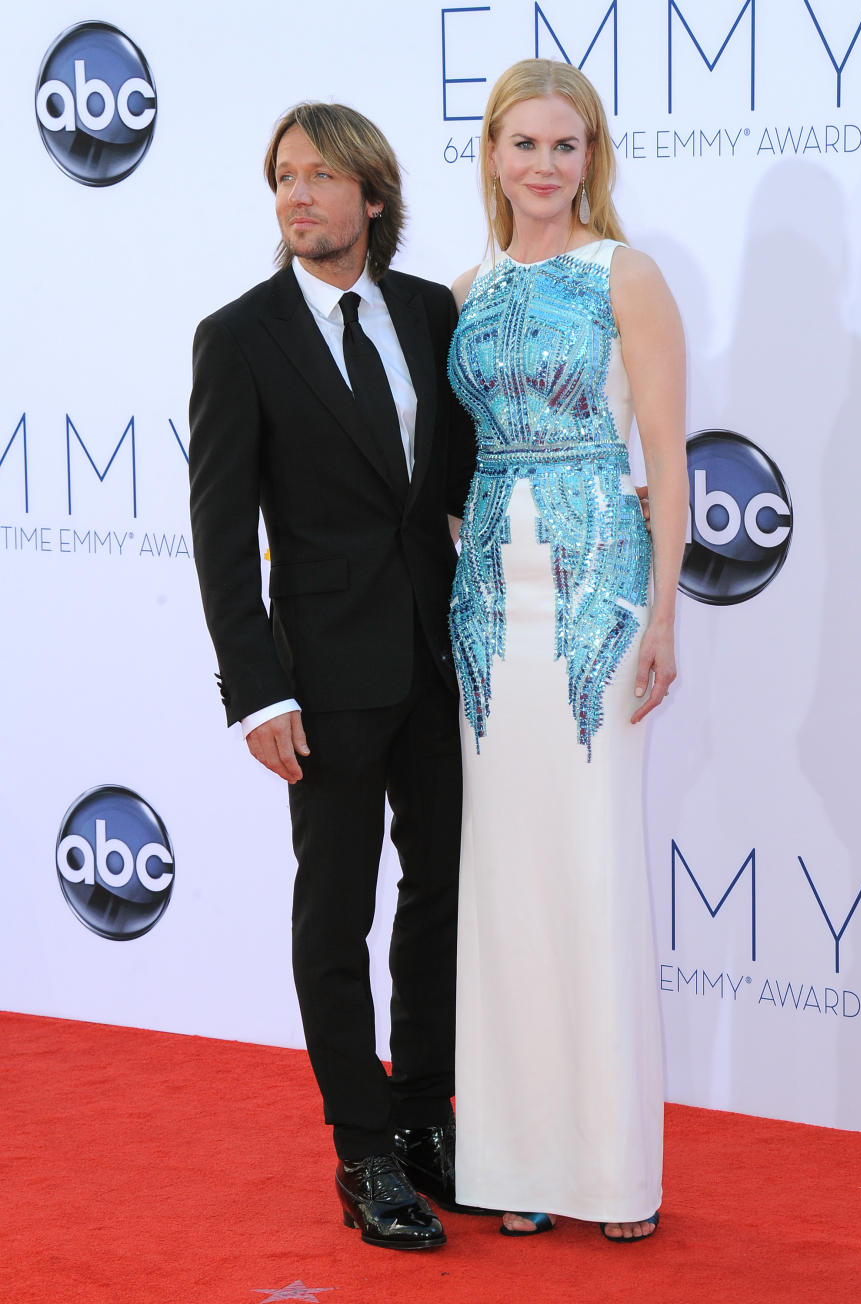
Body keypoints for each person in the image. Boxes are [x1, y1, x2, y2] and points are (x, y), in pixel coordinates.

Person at [188, 102, 475, 1251]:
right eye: (284, 178)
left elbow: (457, 475)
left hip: (441, 658)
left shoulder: (428, 310)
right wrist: (258, 690)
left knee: (443, 892)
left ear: (373, 197)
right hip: (327, 679)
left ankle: (423, 1116)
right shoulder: (240, 336)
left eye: (321, 177)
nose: (298, 196)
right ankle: (362, 1152)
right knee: (335, 911)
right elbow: (217, 533)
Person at [447, 60, 688, 1242]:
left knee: (592, 872)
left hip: (596, 586)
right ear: (492, 157)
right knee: (506, 884)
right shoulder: (463, 287)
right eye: (524, 145)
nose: (545, 166)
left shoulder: (624, 274)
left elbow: (668, 453)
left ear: (591, 157)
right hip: (490, 600)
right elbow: (445, 465)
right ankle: (517, 1160)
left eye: (566, 145)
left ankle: (610, 1169)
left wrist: (667, 611)